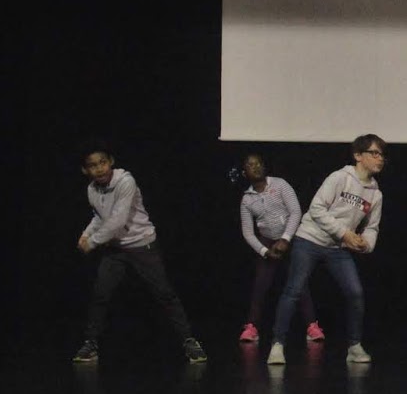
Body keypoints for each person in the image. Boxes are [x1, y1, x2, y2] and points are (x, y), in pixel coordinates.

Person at [72, 143, 207, 364]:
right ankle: (90, 344)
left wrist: (93, 242)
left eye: (102, 163)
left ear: (111, 162)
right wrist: (86, 234)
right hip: (115, 248)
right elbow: (100, 216)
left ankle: (189, 340)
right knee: (100, 294)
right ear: (85, 170)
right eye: (92, 166)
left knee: (164, 293)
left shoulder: (126, 181)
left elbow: (118, 220)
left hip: (142, 244)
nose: (99, 169)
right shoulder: (92, 189)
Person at [267, 135, 385, 365]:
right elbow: (316, 209)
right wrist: (344, 233)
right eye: (374, 153)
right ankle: (277, 345)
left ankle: (354, 346)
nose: (379, 158)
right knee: (294, 289)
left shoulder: (375, 194)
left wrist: (365, 243)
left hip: (337, 248)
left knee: (355, 292)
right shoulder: (339, 178)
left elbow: (372, 227)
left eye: (381, 154)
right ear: (358, 156)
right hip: (309, 240)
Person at [235, 154, 322, 345]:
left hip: (291, 239)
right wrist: (264, 251)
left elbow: (295, 211)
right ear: (245, 172)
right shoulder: (247, 200)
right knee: (261, 285)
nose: (256, 167)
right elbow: (248, 232)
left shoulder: (280, 184)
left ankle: (312, 326)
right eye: (250, 165)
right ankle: (252, 327)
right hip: (267, 242)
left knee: (300, 283)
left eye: (259, 163)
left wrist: (285, 239)